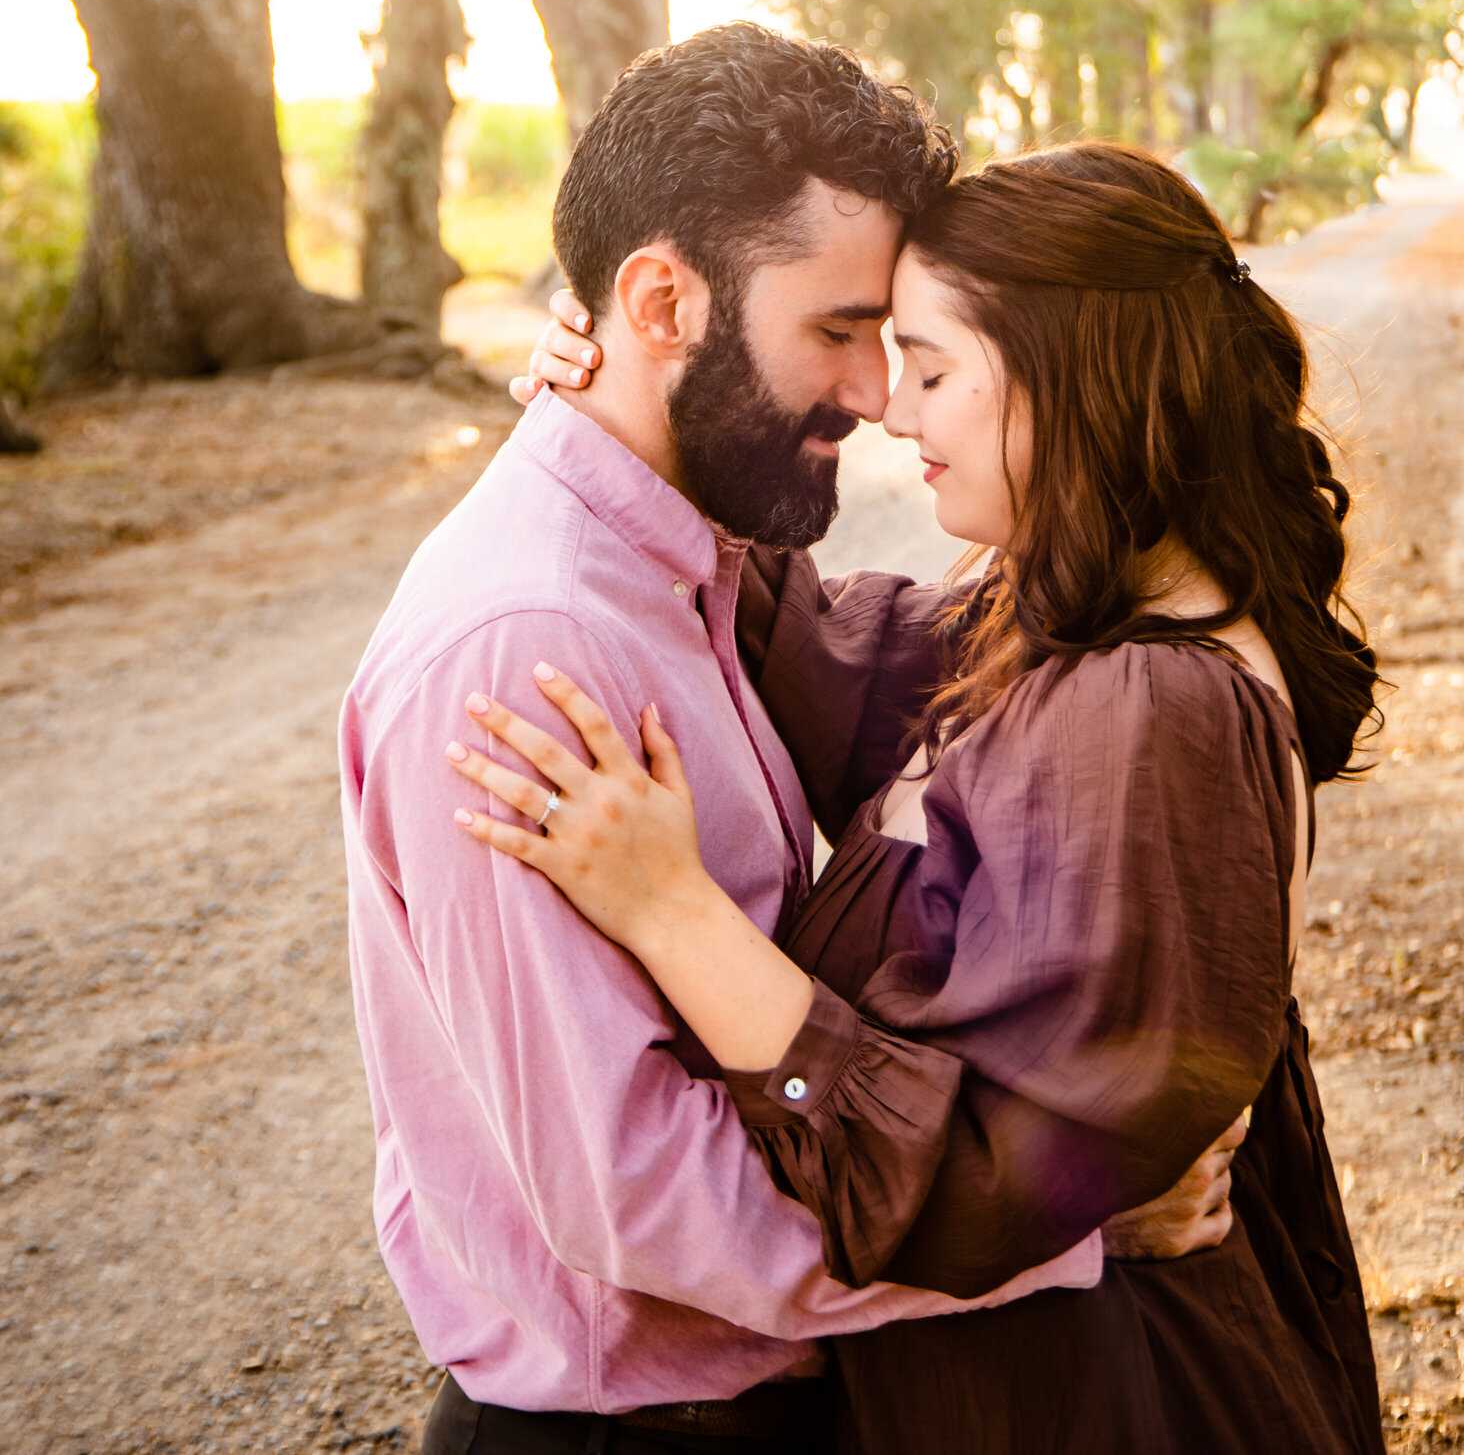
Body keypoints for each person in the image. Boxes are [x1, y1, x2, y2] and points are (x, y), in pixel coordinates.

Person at [340, 28, 1227, 1455]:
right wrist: (1063, 1228)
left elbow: (933, 661)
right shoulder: (523, 647)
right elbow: (636, 1189)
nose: (879, 393)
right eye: (837, 328)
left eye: (895, 336)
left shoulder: (688, 560)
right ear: (661, 297)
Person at [461, 139, 1386, 1455]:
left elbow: (978, 1181)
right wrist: (645, 411)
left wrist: (677, 914)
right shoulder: (1067, 619)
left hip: (1114, 1403)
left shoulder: (1158, 714)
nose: (895, 410)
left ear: (1073, 381)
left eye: (934, 367)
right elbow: (847, 663)